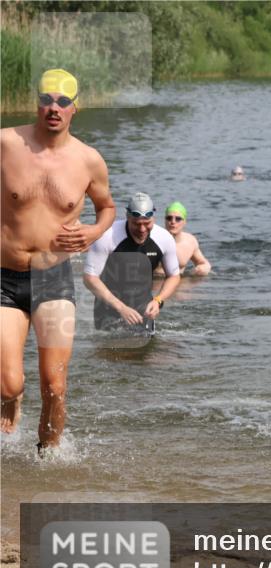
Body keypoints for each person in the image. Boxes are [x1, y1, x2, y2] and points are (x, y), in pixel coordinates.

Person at [1, 68, 116, 455]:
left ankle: (47, 459)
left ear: (74, 109)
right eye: (47, 99)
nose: (54, 107)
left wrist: (94, 232)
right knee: (8, 384)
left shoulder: (88, 160)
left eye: (63, 101)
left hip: (54, 278)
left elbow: (108, 208)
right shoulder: (6, 143)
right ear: (37, 103)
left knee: (55, 385)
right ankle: (12, 398)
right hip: (4, 276)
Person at [83, 193, 180, 335]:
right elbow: (89, 278)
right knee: (107, 355)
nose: (142, 229)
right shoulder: (108, 236)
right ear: (127, 217)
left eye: (147, 223)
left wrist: (158, 300)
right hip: (108, 307)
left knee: (145, 355)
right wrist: (121, 308)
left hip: (144, 308)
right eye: (136, 224)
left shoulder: (164, 238)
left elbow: (174, 276)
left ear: (153, 217)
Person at [163, 202, 211, 276]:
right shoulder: (155, 239)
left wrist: (203, 268)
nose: (173, 222)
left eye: (178, 219)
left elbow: (203, 262)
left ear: (185, 222)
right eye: (169, 218)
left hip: (181, 284)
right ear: (165, 221)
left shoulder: (190, 241)